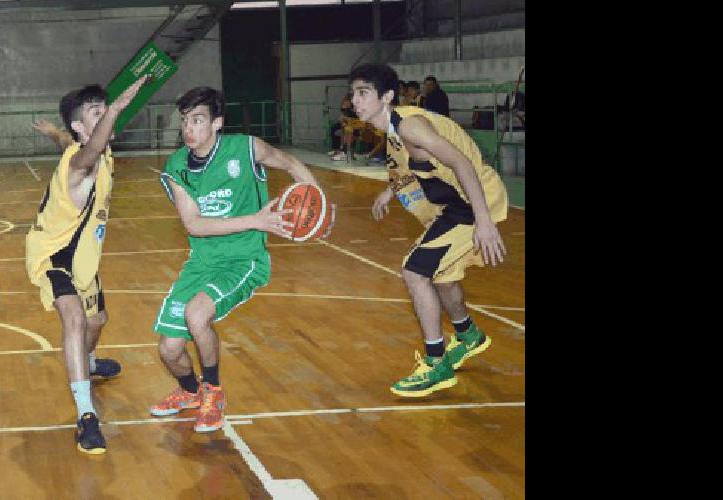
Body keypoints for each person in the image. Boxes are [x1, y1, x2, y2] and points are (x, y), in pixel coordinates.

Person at [148, 87, 325, 433]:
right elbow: (194, 225)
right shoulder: (175, 167)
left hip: (244, 260)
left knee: (196, 314)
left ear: (217, 123)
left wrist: (316, 196)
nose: (189, 128)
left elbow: (288, 162)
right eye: (185, 121)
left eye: (197, 120)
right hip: (201, 262)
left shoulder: (245, 148)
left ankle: (213, 392)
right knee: (169, 350)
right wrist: (257, 219)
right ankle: (190, 393)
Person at [351, 63, 507, 398]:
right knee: (443, 276)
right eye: (353, 93)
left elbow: (461, 164)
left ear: (387, 96)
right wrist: (389, 191)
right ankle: (468, 335)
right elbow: (408, 165)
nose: (355, 100)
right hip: (455, 208)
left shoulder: (412, 128)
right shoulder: (393, 129)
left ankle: (437, 363)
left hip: (473, 203)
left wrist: (483, 220)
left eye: (363, 93)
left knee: (414, 271)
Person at [23, 75, 149, 454]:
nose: (107, 116)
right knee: (75, 319)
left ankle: (89, 362)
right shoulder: (83, 163)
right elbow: (84, 153)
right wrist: (116, 108)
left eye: (105, 109)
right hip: (53, 255)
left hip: (83, 260)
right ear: (81, 126)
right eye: (97, 112)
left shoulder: (88, 150)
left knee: (98, 321)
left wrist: (52, 133)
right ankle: (86, 416)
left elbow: (71, 142)